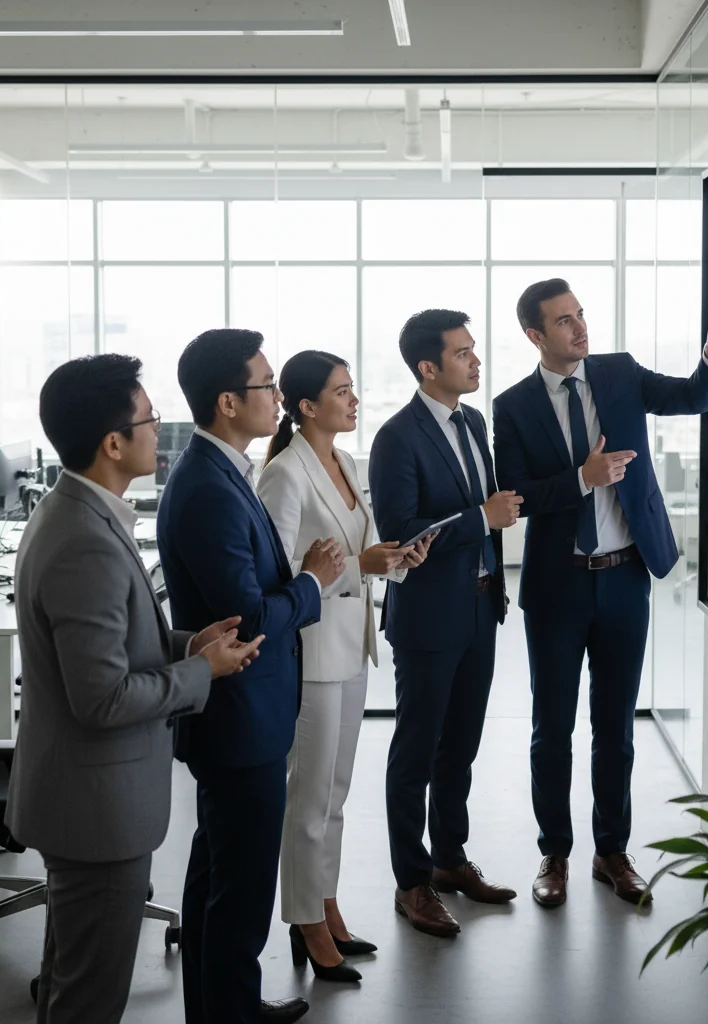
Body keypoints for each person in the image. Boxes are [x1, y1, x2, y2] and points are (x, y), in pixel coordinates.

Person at [5, 354, 261, 1024]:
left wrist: (189, 645)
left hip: (85, 799)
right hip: (98, 812)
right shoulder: (84, 541)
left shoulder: (79, 512)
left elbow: (115, 644)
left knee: (70, 984)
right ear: (113, 444)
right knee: (90, 998)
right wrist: (204, 672)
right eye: (149, 419)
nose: (159, 430)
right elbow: (103, 699)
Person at [491, 279, 708, 909]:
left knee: (616, 726)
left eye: (580, 314)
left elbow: (690, 396)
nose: (580, 327)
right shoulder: (512, 406)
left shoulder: (620, 373)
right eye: (563, 321)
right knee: (552, 729)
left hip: (627, 576)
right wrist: (582, 478)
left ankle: (612, 851)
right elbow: (514, 497)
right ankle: (555, 852)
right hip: (558, 586)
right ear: (535, 335)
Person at [156, 329, 346, 1024]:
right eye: (266, 386)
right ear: (229, 402)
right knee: (238, 891)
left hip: (242, 715)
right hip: (239, 717)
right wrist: (313, 582)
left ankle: (222, 1006)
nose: (278, 398)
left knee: (218, 875)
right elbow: (250, 618)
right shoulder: (209, 486)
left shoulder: (223, 470)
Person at [258, 350, 433, 981]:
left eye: (352, 388)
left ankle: (325, 904)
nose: (354, 400)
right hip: (309, 652)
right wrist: (358, 567)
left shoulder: (345, 462)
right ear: (307, 406)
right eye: (341, 391)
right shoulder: (285, 474)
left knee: (334, 793)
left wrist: (395, 559)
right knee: (308, 796)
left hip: (351, 645)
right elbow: (277, 574)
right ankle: (305, 920)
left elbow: (360, 550)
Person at [368, 309, 522, 938]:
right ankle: (412, 882)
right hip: (429, 618)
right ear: (428, 367)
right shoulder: (396, 438)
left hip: (481, 607)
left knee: (460, 746)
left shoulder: (473, 421)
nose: (476, 361)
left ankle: (450, 859)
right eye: (463, 353)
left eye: (474, 350)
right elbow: (399, 532)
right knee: (416, 752)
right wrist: (481, 518)